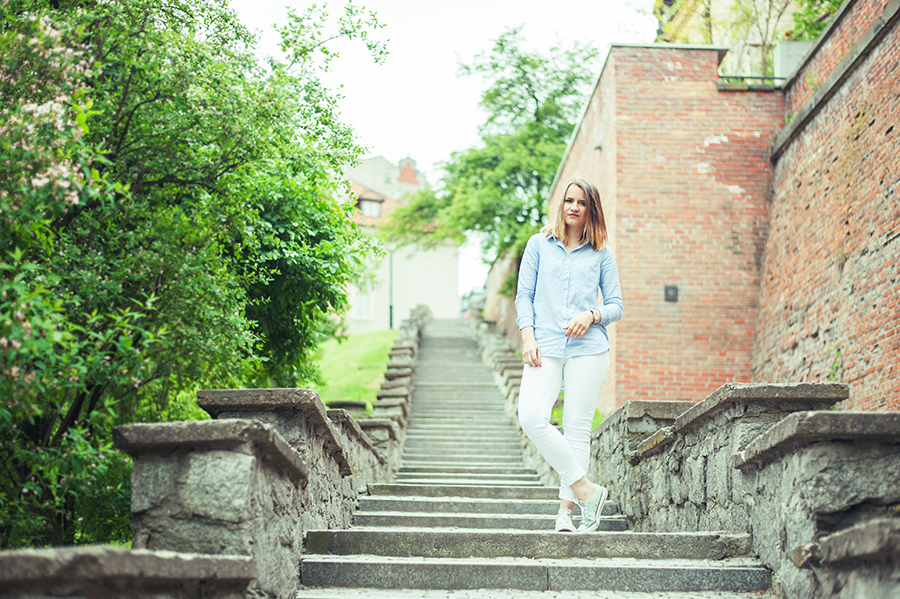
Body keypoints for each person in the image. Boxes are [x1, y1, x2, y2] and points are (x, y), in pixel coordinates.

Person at [515, 178, 623, 533]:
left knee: (577, 429)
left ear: (591, 209)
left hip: (588, 349)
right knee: (532, 416)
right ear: (561, 205)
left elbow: (616, 305)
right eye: (568, 201)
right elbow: (523, 297)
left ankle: (566, 513)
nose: (573, 207)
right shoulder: (538, 245)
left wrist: (591, 315)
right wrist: (527, 337)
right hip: (543, 346)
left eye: (581, 203)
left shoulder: (601, 252)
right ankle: (587, 491)